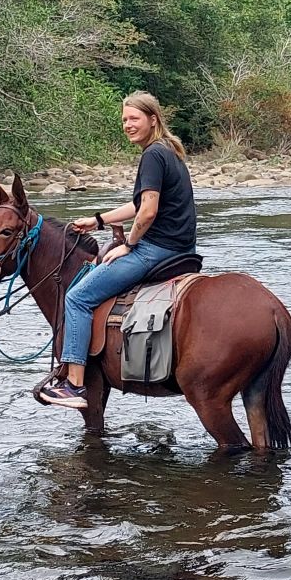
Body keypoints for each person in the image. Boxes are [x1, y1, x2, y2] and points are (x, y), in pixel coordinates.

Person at [36, 91, 197, 410]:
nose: (127, 124)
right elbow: (139, 204)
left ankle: (75, 385)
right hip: (182, 248)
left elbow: (147, 212)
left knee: (77, 297)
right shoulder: (169, 152)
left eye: (134, 118)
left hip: (156, 249)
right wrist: (97, 220)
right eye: (124, 119)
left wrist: (130, 246)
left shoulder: (153, 154)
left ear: (153, 120)